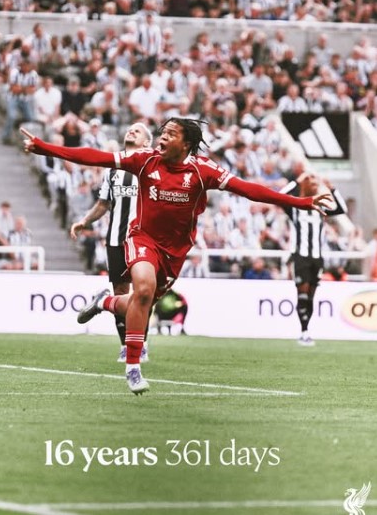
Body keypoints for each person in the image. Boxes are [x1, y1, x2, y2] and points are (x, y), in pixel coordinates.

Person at [21, 118, 332, 395]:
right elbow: (94, 157)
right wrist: (44, 147)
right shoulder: (144, 160)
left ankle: (105, 302)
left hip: (175, 251)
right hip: (142, 238)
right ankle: (133, 368)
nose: (163, 137)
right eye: (163, 132)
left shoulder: (203, 170)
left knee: (140, 302)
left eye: (171, 134)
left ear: (186, 143)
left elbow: (248, 189)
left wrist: (301, 202)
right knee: (143, 290)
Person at [69, 122, 153, 363]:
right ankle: (126, 345)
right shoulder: (113, 170)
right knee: (121, 293)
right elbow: (103, 204)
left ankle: (141, 343)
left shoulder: (152, 165)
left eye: (138, 130)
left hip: (144, 241)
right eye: (130, 129)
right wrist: (84, 221)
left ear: (147, 142)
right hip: (117, 239)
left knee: (145, 293)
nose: (131, 131)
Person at [281, 172, 347, 346]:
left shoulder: (321, 208)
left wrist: (332, 188)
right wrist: (296, 181)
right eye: (310, 182)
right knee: (302, 293)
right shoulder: (295, 206)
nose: (314, 185)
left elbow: (342, 209)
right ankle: (304, 332)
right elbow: (280, 196)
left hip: (317, 258)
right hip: (301, 257)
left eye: (316, 183)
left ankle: (306, 330)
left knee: (311, 296)